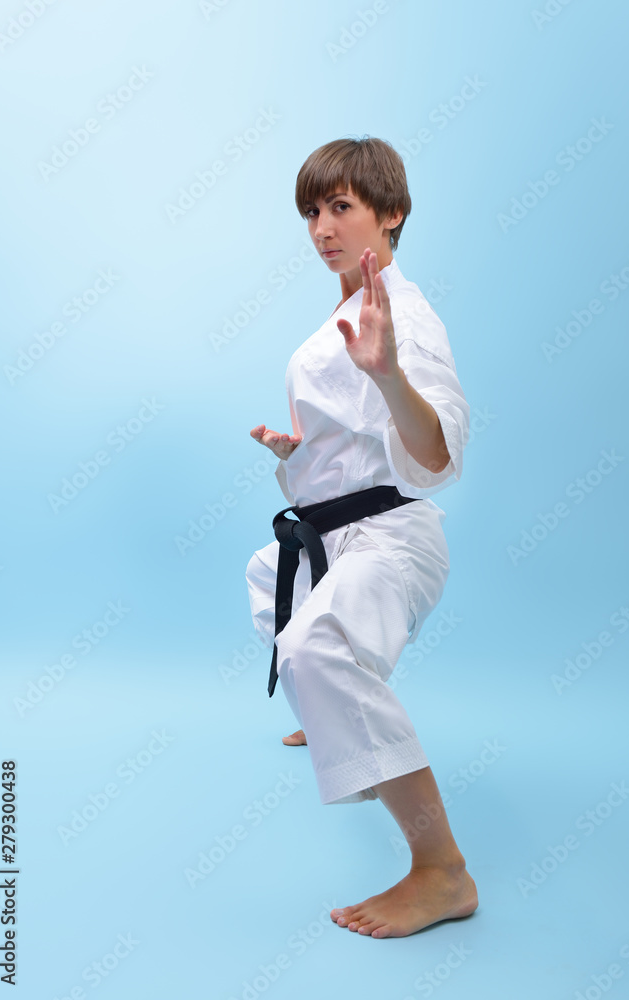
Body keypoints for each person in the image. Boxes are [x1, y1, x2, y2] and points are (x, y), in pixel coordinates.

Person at [245, 136, 478, 938]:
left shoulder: (403, 316)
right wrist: (297, 453)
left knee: (315, 646)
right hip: (337, 530)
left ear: (392, 213)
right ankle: (330, 708)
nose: (322, 227)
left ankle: (442, 871)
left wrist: (388, 374)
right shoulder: (344, 311)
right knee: (264, 576)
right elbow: (352, 444)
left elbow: (438, 447)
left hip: (392, 538)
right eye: (312, 210)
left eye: (341, 207)